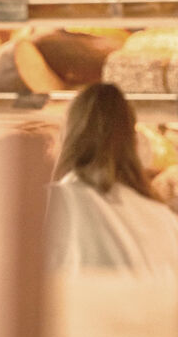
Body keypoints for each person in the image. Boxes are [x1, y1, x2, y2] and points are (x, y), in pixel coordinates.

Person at [45, 82, 178, 272]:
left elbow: (1, 283)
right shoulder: (164, 220)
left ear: (66, 139)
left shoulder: (43, 206)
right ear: (135, 144)